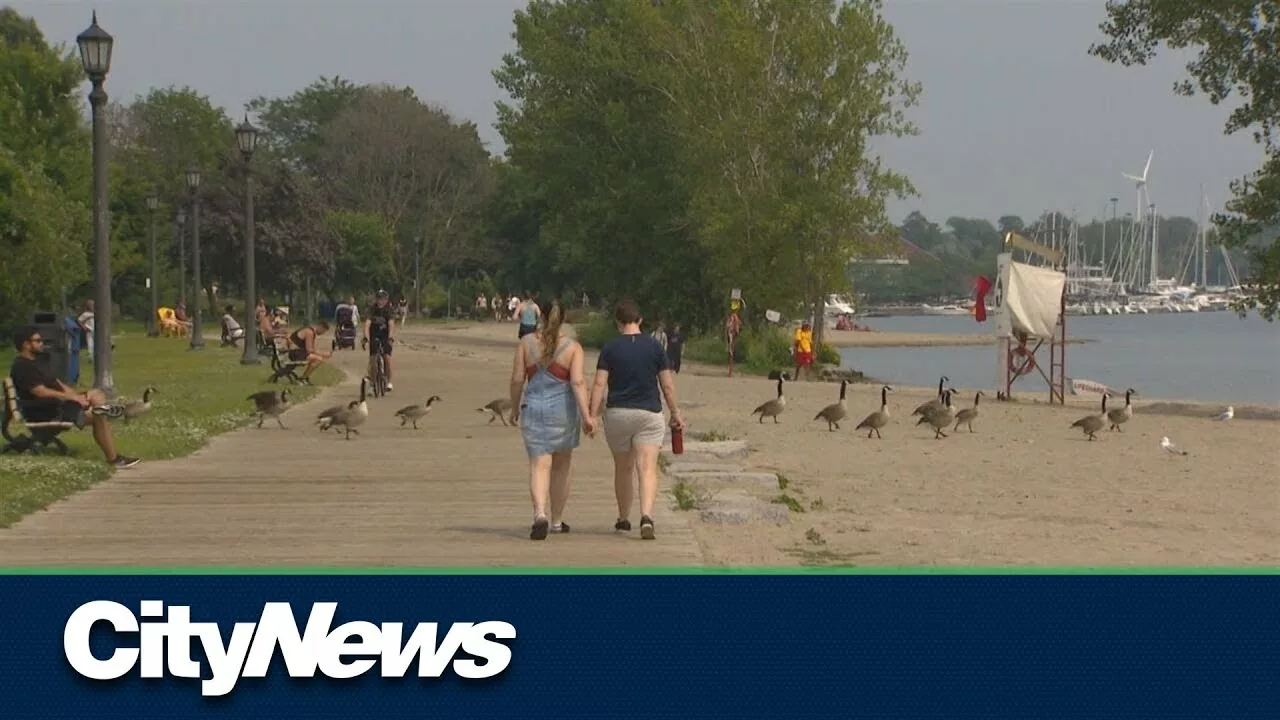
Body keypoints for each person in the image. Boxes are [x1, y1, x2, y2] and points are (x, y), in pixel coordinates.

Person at [589, 300, 684, 541]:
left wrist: (592, 415)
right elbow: (667, 385)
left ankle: (623, 519)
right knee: (647, 467)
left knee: (624, 468)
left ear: (618, 323)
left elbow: (599, 384)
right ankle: (647, 516)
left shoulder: (610, 349)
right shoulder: (654, 347)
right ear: (640, 320)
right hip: (649, 414)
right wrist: (675, 412)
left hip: (618, 414)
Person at [508, 299, 594, 540]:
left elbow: (517, 380)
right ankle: (556, 521)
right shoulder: (573, 348)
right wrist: (587, 416)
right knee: (561, 467)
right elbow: (577, 382)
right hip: (563, 413)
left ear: (539, 317)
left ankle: (539, 514)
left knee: (539, 464)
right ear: (563, 318)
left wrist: (514, 409)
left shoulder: (526, 343)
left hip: (534, 409)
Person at [9, 326, 139, 468]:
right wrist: (72, 399)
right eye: (38, 340)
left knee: (96, 394)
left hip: (60, 405)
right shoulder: (22, 366)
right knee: (98, 415)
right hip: (49, 411)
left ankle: (109, 411)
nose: (42, 343)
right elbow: (41, 392)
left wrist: (77, 396)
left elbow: (58, 383)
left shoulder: (39, 362)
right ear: (26, 344)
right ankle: (114, 457)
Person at [364, 289, 396, 391]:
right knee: (373, 360)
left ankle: (389, 382)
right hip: (374, 335)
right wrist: (366, 337)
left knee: (387, 357)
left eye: (383, 299)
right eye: (378, 299)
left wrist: (390, 337)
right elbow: (367, 324)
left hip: (385, 336)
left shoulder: (389, 309)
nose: (380, 301)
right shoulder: (372, 309)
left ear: (386, 300)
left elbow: (391, 324)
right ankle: (373, 382)